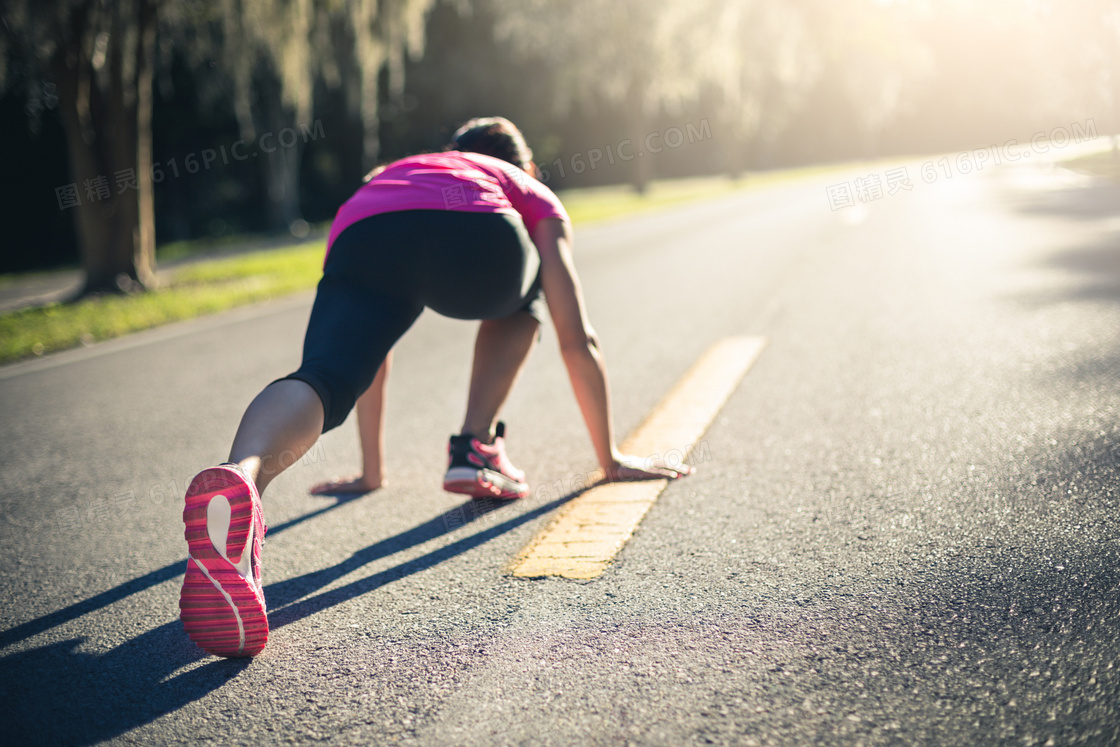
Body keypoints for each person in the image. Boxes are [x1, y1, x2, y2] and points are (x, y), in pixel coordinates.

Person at [178, 117, 694, 658]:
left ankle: (242, 476)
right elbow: (576, 338)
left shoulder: (396, 173)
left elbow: (374, 352)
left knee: (326, 376)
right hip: (480, 231)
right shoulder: (523, 186)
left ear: (451, 154)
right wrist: (609, 457)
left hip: (363, 226)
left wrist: (371, 470)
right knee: (533, 297)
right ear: (527, 167)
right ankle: (474, 445)